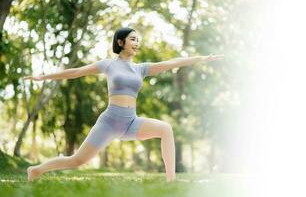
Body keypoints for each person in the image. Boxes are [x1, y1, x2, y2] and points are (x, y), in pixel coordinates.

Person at [23, 27, 223, 182]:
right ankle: (36, 170)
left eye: (138, 40)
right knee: (77, 160)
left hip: (131, 123)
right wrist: (43, 77)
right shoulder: (107, 65)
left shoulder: (141, 69)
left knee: (165, 129)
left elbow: (173, 63)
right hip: (109, 121)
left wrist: (202, 58)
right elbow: (75, 72)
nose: (137, 43)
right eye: (133, 39)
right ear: (121, 42)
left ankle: (171, 181)